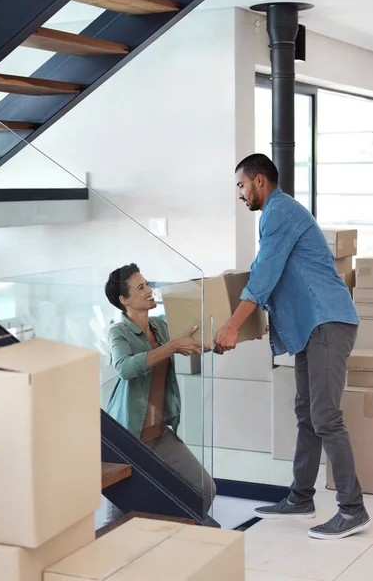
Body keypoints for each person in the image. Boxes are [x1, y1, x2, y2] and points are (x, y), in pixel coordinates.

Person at [214, 153, 369, 540]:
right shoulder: (278, 215)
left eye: (241, 185)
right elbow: (269, 272)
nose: (239, 193)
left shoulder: (278, 212)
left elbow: (264, 274)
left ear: (260, 181)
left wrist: (233, 325)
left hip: (326, 323)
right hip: (310, 329)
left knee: (325, 415)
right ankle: (301, 497)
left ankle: (352, 509)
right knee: (306, 412)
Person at [104, 263, 216, 523]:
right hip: (128, 441)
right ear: (124, 300)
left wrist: (220, 341)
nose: (149, 291)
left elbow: (188, 342)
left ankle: (172, 541)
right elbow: (125, 369)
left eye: (147, 284)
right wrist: (171, 347)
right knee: (117, 521)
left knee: (205, 489)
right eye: (141, 287)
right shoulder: (118, 332)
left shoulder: (160, 327)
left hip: (160, 435)